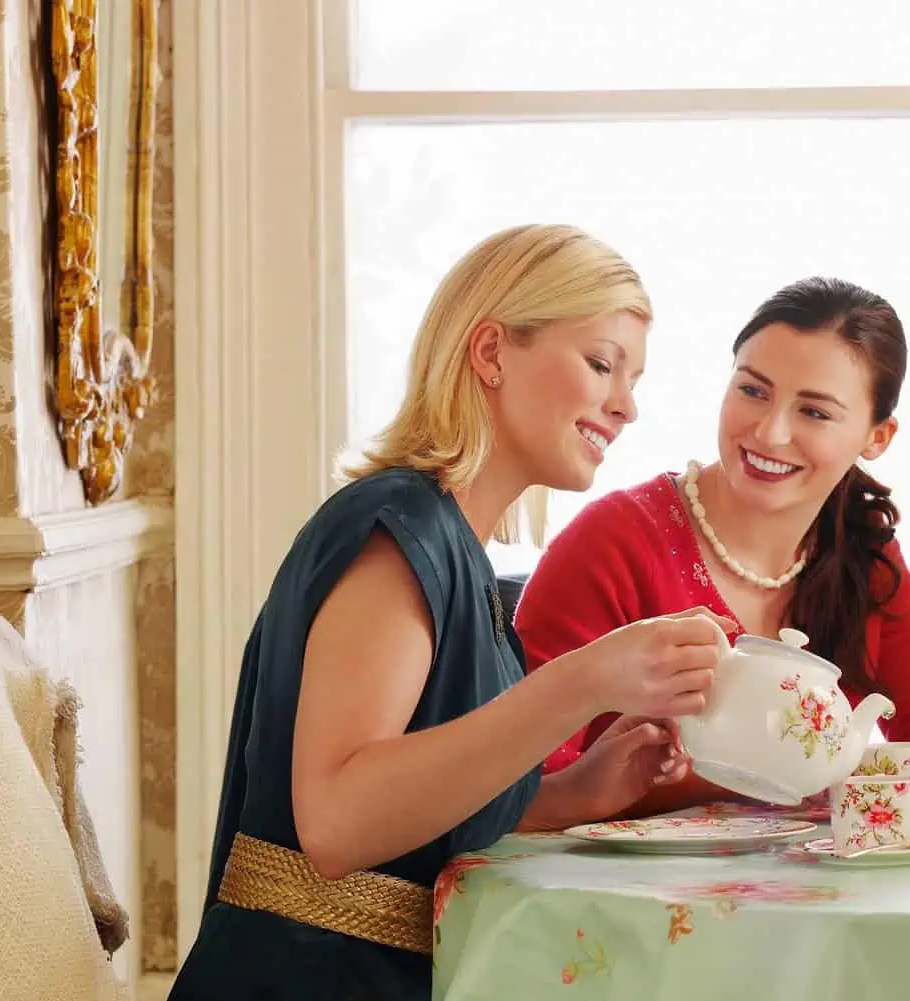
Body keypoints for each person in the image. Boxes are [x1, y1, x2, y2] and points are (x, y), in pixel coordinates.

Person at [169, 224, 729, 1000]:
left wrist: (573, 794)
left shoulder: (456, 550)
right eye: (602, 363)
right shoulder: (399, 533)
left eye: (632, 379)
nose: (626, 405)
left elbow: (418, 804)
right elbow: (337, 821)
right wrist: (585, 681)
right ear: (492, 352)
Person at [513, 276, 910, 818]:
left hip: (811, 897)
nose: (769, 433)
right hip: (617, 899)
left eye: (814, 412)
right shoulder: (614, 543)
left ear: (876, 437)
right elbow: (514, 779)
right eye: (753, 390)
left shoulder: (862, 552)